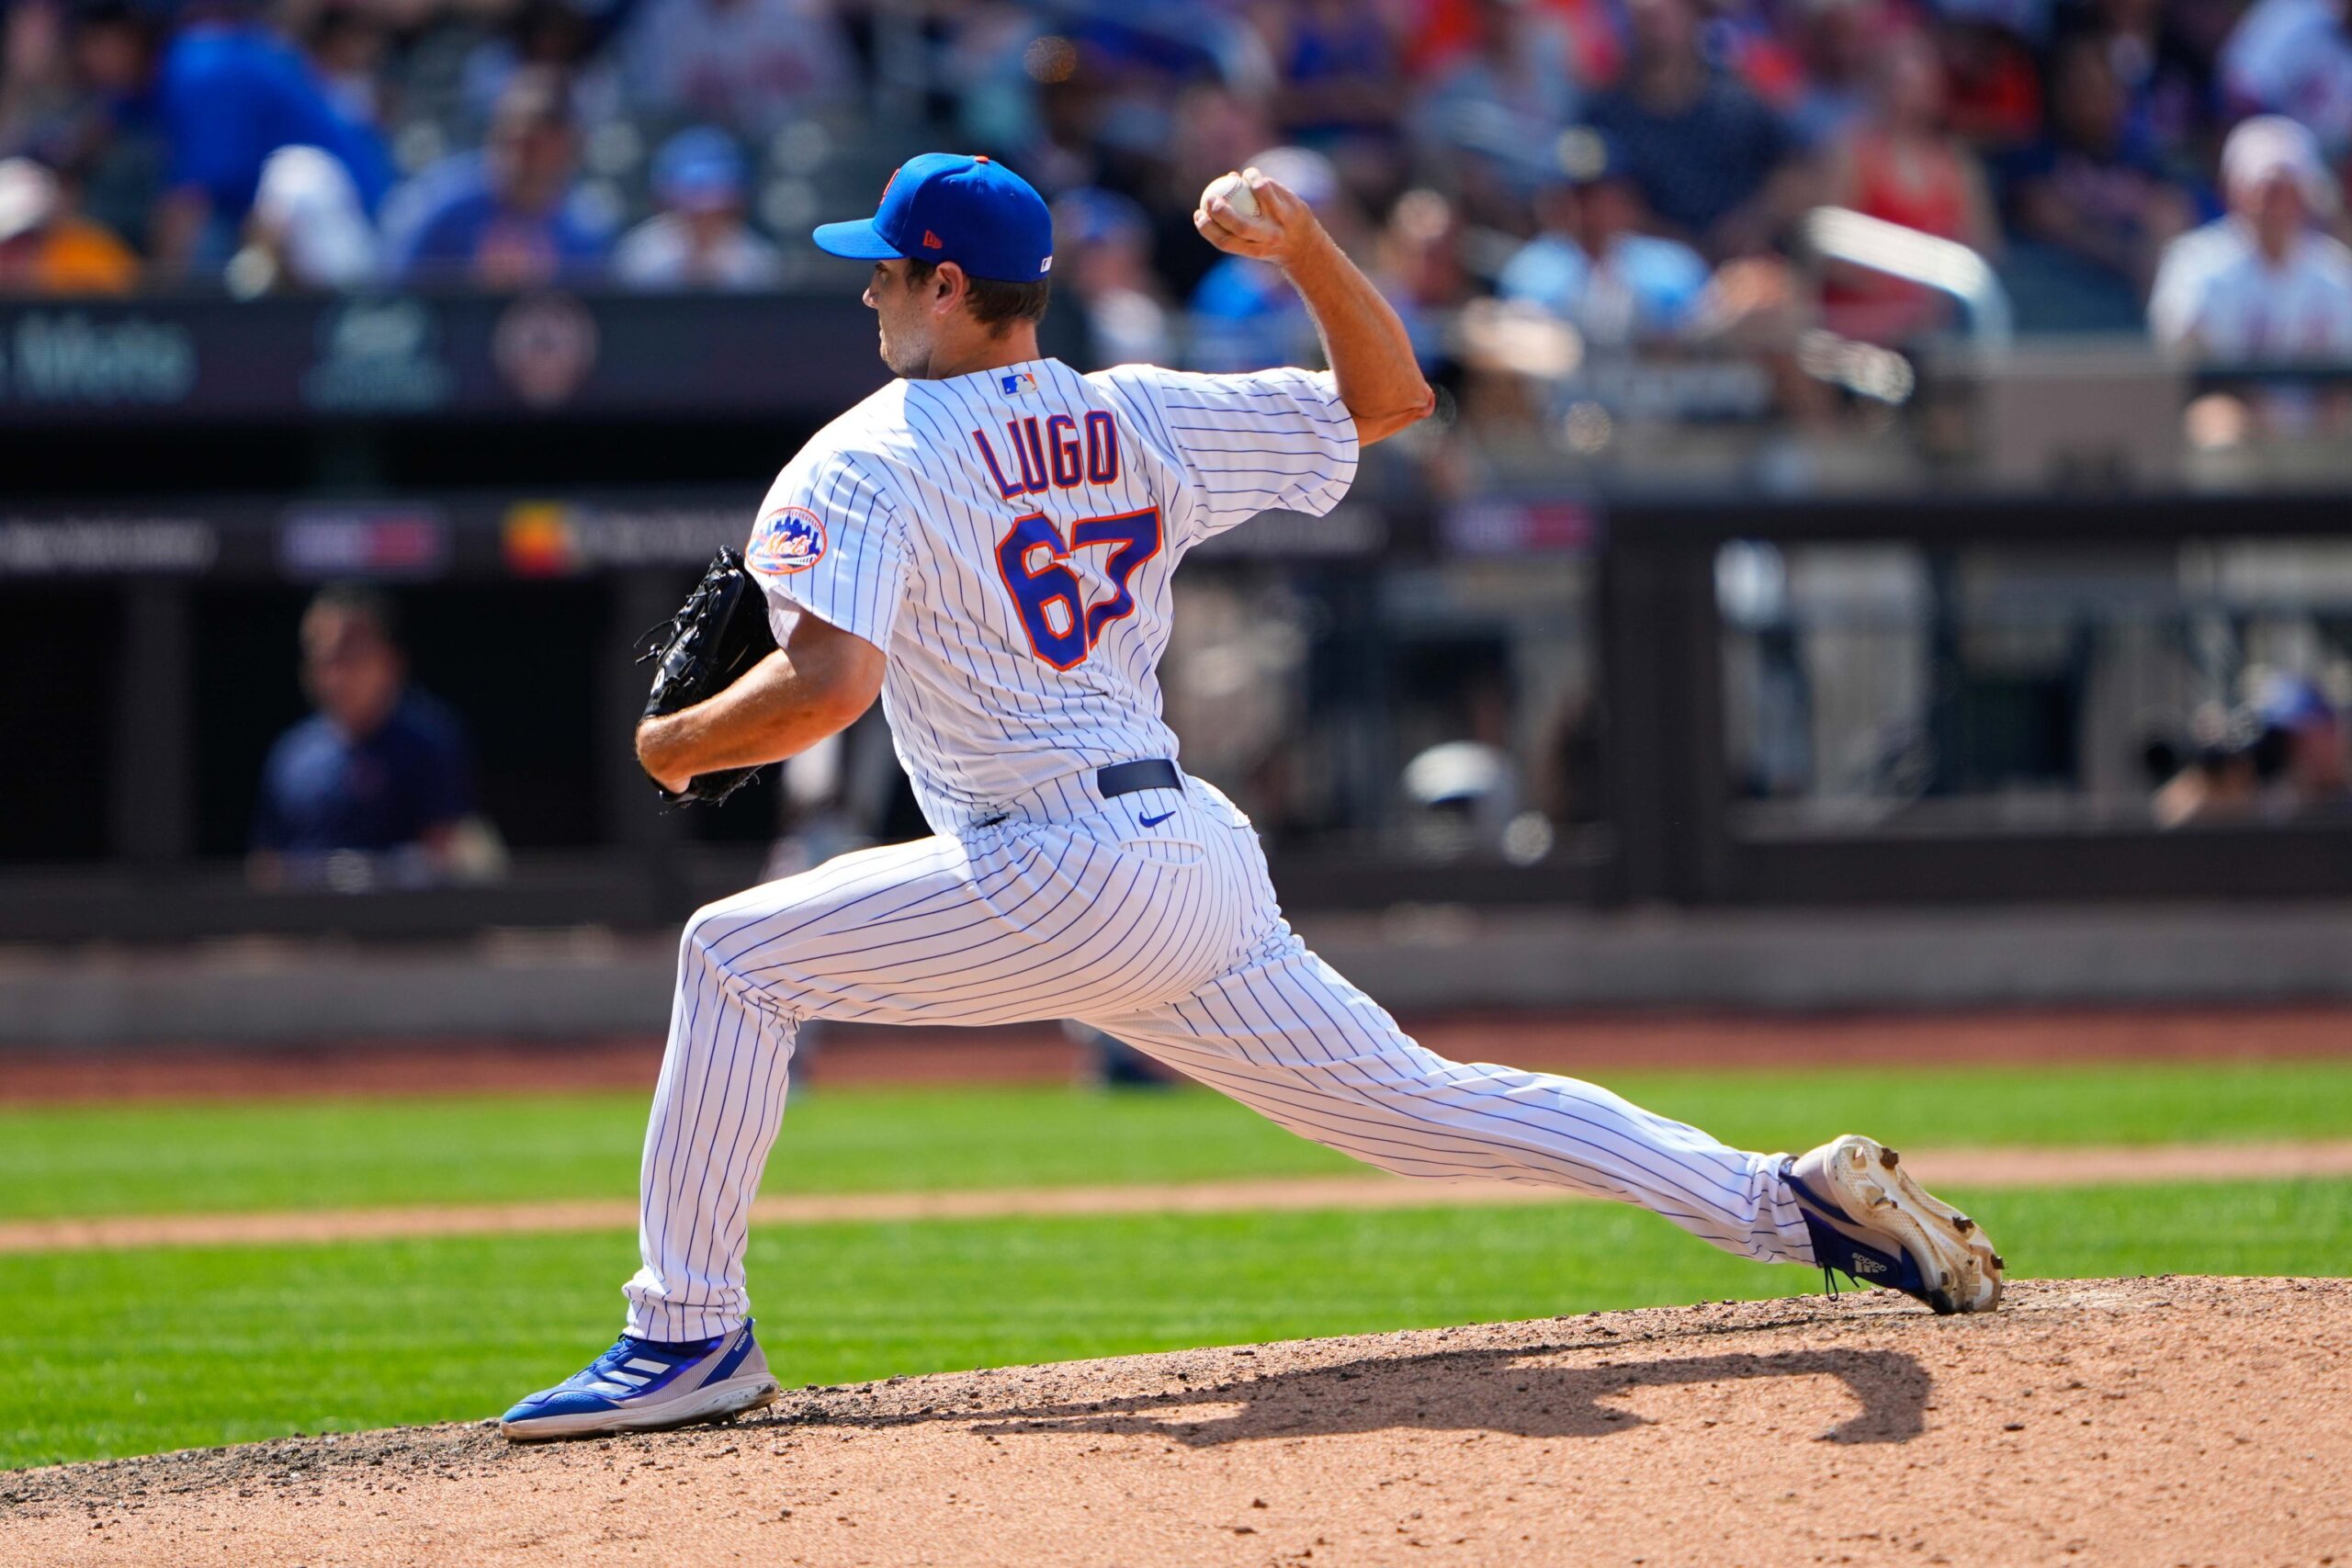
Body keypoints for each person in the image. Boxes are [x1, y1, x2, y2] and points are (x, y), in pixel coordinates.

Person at [495, 150, 2002, 1441]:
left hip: (1060, 863)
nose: (872, 291)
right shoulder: (1135, 411)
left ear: (951, 286)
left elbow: (828, 692)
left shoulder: (869, 454)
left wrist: (673, 746)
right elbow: (1392, 395)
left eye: (889, 270)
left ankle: (687, 1328)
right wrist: (1306, 249)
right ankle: (1784, 1201)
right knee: (1421, 1102)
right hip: (1189, 857)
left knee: (731, 955)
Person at [250, 585, 491, 890]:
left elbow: (444, 855)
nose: (335, 672)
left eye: (349, 654)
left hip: (404, 928)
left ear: (390, 661)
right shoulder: (291, 753)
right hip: (307, 930)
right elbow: (266, 868)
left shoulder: (431, 741)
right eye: (320, 656)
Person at [1585, 0, 1805, 258]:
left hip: (1741, 264)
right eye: (1644, 20)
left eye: (1662, 17)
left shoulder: (1736, 101)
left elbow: (1794, 173)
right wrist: (1675, 244)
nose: (1655, 30)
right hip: (1647, 269)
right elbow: (1592, 198)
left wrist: (1753, 224)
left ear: (1693, 18)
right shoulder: (1606, 112)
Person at [382, 68, 613, 287]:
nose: (517, 157)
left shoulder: (584, 226)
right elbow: (393, 295)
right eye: (507, 139)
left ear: (568, 146)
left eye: (532, 145)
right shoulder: (439, 205)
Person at [2148, 115, 2352, 362]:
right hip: (2233, 396)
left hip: (2316, 401)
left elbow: (2341, 376)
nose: (2280, 204)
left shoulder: (2335, 269)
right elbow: (2186, 355)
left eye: (2293, 189)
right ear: (2234, 190)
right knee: (2216, 404)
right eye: (2270, 190)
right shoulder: (2194, 263)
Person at [612, 127, 782, 292]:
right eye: (693, 202)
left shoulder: (756, 257)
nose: (705, 213)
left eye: (716, 205)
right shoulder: (640, 253)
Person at [0, 154, 137, 293]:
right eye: (9, 244)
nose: (13, 256)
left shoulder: (89, 254)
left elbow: (127, 298)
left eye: (25, 240)